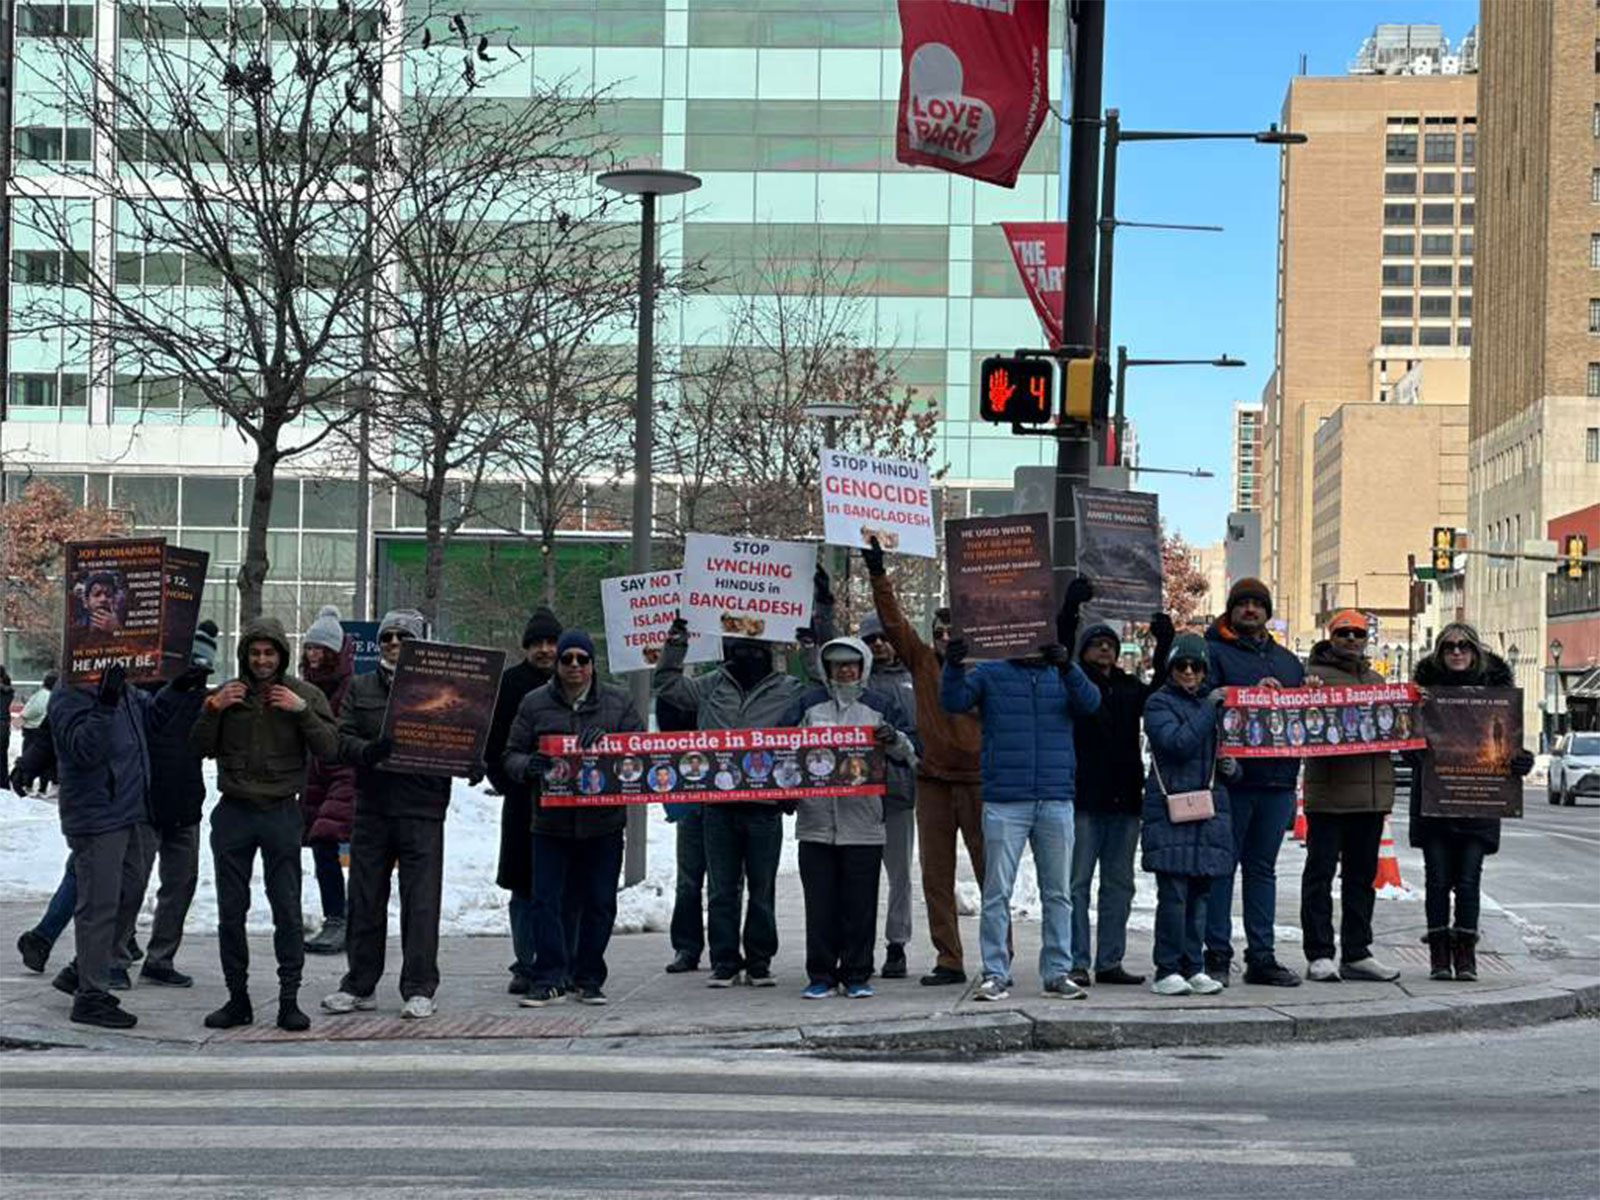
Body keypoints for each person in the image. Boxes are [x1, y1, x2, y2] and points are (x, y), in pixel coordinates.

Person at [189, 615, 338, 1032]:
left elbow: (330, 748)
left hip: (280, 813)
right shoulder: (224, 695)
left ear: (281, 655)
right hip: (234, 812)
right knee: (230, 912)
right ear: (244, 655)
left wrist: (303, 711)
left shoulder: (301, 694)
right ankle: (237, 999)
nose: (261, 660)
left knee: (287, 910)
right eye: (254, 653)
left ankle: (289, 1000)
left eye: (269, 652)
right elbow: (197, 747)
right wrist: (211, 709)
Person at [940, 619, 1101, 1003]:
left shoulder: (1061, 674)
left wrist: (1068, 666)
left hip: (1055, 798)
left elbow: (1092, 703)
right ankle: (996, 973)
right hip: (1005, 799)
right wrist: (953, 665)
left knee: (1058, 893)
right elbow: (953, 701)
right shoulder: (992, 672)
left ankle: (1058, 971)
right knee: (997, 892)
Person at [655, 617, 811, 988]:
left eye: (756, 646)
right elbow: (668, 685)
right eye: (740, 645)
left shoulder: (789, 688)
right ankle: (724, 960)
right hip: (719, 806)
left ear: (769, 649)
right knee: (722, 889)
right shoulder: (712, 685)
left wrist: (810, 648)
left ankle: (759, 960)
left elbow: (824, 687)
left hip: (764, 807)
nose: (748, 653)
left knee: (762, 889)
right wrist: (677, 642)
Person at [48, 661, 200, 1028]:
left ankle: (83, 969)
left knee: (128, 895)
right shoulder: (69, 692)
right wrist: (105, 702)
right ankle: (92, 996)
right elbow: (83, 750)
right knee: (100, 904)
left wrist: (176, 689)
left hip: (133, 809)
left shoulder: (125, 687)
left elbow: (153, 721)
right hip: (97, 814)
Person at [863, 539, 986, 987]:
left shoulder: (988, 666)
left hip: (978, 781)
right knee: (937, 876)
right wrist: (878, 573)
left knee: (992, 875)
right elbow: (894, 624)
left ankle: (998, 957)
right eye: (939, 631)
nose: (946, 638)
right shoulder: (921, 662)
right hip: (932, 781)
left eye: (954, 631)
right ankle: (949, 959)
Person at [322, 608, 454, 1021]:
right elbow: (340, 738)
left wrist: (470, 760)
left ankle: (419, 986)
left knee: (421, 902)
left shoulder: (442, 687)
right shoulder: (361, 688)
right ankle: (360, 984)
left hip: (423, 807)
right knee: (364, 897)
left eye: (403, 637)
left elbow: (463, 735)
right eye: (387, 638)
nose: (394, 644)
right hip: (374, 805)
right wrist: (366, 751)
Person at [502, 629, 643, 1007]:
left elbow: (641, 754)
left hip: (604, 823)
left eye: (582, 659)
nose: (575, 666)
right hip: (550, 823)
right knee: (545, 901)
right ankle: (548, 976)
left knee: (599, 902)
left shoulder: (619, 702)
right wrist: (527, 766)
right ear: (558, 664)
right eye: (567, 659)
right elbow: (510, 753)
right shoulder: (534, 704)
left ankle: (589, 976)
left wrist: (612, 745)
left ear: (593, 664)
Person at [785, 636, 916, 1000]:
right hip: (816, 822)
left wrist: (894, 740)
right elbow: (780, 747)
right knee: (820, 904)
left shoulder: (880, 706)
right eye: (838, 665)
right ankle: (821, 974)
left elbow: (911, 753)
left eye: (852, 664)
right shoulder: (809, 706)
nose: (845, 670)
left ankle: (858, 973)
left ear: (864, 668)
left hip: (864, 823)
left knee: (859, 905)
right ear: (827, 669)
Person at [1059, 580, 1175, 989]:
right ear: (1084, 650)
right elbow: (1061, 655)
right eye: (1096, 643)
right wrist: (1071, 610)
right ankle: (1076, 960)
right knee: (1076, 884)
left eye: (1110, 643)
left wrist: (1164, 643)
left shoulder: (1129, 688)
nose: (1105, 648)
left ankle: (1109, 961)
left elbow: (1161, 692)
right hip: (1084, 797)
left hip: (1125, 798)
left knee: (1119, 885)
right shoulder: (1073, 684)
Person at [1410, 624, 1534, 981]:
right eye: (1448, 646)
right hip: (1436, 801)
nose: (1456, 652)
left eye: (1464, 645)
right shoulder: (1424, 695)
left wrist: (1519, 762)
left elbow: (1509, 746)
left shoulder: (1498, 695)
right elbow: (1409, 744)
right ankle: (1438, 954)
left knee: (1468, 880)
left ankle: (1465, 954)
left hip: (1479, 802)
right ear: (1439, 652)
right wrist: (1415, 747)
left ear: (1475, 650)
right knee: (1436, 879)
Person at [1201, 578, 1306, 988]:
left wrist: (1307, 692)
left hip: (1278, 780)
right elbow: (1197, 698)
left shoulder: (1288, 662)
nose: (1249, 610)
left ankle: (1261, 956)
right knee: (1222, 869)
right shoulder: (1212, 653)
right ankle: (1217, 955)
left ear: (1267, 611)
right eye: (1242, 603)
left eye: (1257, 604)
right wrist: (1243, 694)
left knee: (1262, 870)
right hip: (1233, 780)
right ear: (1231, 609)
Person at [1296, 609, 1404, 982]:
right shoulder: (1312, 680)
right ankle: (1320, 953)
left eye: (1359, 634)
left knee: (1361, 879)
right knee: (1320, 875)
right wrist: (1305, 696)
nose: (1352, 640)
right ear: (1331, 636)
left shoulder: (1377, 680)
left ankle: (1357, 953)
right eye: (1344, 633)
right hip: (1327, 796)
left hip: (1371, 799)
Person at [118, 622, 217, 988]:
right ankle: (116, 954)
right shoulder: (146, 694)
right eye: (194, 665)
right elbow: (155, 718)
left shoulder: (206, 701)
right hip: (147, 805)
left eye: (204, 668)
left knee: (180, 885)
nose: (198, 673)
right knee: (133, 884)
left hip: (185, 805)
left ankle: (161, 958)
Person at [1141, 633, 1239, 996]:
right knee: (1174, 897)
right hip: (1171, 813)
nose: (1188, 671)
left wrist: (1232, 768)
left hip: (1208, 813)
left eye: (1195, 666)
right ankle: (1166, 968)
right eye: (1181, 665)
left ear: (1204, 670)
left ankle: (1193, 966)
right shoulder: (1158, 704)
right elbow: (1177, 745)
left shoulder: (1213, 708)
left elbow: (1228, 753)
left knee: (1199, 897)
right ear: (1170, 668)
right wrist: (1208, 709)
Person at [484, 605, 562, 994]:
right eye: (538, 644)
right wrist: (508, 780)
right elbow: (493, 741)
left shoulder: (578, 678)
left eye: (551, 642)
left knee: (561, 886)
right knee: (524, 887)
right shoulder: (510, 684)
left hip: (568, 806)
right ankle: (525, 961)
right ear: (526, 648)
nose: (546, 650)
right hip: (522, 802)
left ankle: (558, 960)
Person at [857, 612, 918, 980]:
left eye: (883, 637)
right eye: (869, 639)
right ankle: (857, 946)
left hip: (898, 792)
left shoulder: (916, 678)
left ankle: (897, 944)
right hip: (857, 793)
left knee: (900, 875)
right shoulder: (853, 681)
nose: (878, 644)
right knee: (860, 876)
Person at [299, 607, 357, 955]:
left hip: (345, 773)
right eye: (310, 648)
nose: (314, 655)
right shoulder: (304, 686)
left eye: (321, 649)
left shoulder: (350, 688)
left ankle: (340, 918)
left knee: (327, 841)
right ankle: (338, 916)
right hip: (315, 775)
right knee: (320, 846)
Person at [658, 693, 706, 974]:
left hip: (722, 797)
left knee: (727, 884)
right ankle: (686, 947)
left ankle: (726, 950)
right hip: (688, 796)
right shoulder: (676, 693)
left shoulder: (720, 686)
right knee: (689, 881)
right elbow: (667, 728)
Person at [11, 670, 58, 796]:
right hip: (47, 733)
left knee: (31, 759)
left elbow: (28, 712)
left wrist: (19, 720)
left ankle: (27, 784)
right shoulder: (56, 697)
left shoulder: (42, 696)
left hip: (34, 731)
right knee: (46, 762)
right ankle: (43, 787)